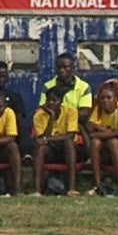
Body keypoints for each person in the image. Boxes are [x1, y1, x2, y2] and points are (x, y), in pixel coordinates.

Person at [33, 65, 85, 195]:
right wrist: (51, 118)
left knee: (68, 143)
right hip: (51, 149)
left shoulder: (71, 111)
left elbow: (70, 135)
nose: (51, 103)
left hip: (69, 149)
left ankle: (72, 188)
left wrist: (46, 139)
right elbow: (40, 139)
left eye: (54, 100)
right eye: (48, 100)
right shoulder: (39, 115)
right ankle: (37, 190)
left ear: (61, 101)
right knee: (40, 149)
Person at [86, 79, 118, 195]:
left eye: (109, 98)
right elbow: (90, 130)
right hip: (106, 149)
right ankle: (98, 185)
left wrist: (100, 130)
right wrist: (116, 132)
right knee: (94, 142)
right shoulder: (98, 109)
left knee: (113, 142)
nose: (105, 101)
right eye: (102, 98)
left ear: (115, 99)